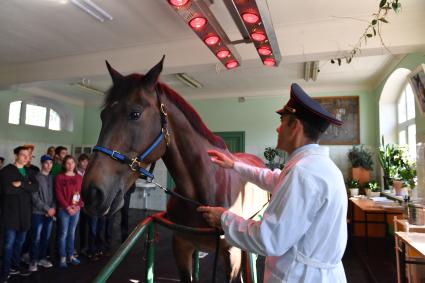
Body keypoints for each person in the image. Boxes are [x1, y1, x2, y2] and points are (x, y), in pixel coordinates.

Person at [197, 83, 348, 283]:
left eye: (283, 121)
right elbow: (271, 178)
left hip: (299, 277)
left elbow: (269, 238)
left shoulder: (303, 173)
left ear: (295, 127)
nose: (277, 128)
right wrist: (234, 165)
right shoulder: (317, 166)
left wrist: (223, 218)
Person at [0, 146, 38, 282]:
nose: (27, 158)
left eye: (29, 156)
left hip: (25, 214)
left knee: (19, 243)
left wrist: (21, 184)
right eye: (23, 155)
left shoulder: (29, 171)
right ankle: (5, 271)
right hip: (10, 214)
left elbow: (35, 187)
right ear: (16, 155)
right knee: (8, 244)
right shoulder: (6, 171)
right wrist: (26, 186)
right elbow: (7, 190)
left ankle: (15, 266)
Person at [28, 155, 56, 272]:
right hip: (38, 213)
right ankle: (33, 260)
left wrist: (53, 209)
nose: (49, 165)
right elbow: (34, 197)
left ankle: (42, 258)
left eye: (51, 163)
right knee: (36, 238)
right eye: (46, 163)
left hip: (50, 213)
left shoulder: (52, 178)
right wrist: (46, 209)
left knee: (46, 237)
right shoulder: (35, 177)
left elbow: (55, 196)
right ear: (42, 164)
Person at [55, 155, 83, 268]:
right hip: (64, 209)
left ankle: (70, 255)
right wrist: (67, 207)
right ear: (64, 164)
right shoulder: (59, 177)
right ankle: (62, 257)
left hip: (76, 209)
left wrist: (77, 207)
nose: (70, 165)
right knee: (63, 233)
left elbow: (81, 193)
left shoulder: (79, 177)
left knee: (72, 233)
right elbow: (58, 194)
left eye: (72, 162)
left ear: (75, 164)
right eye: (67, 163)